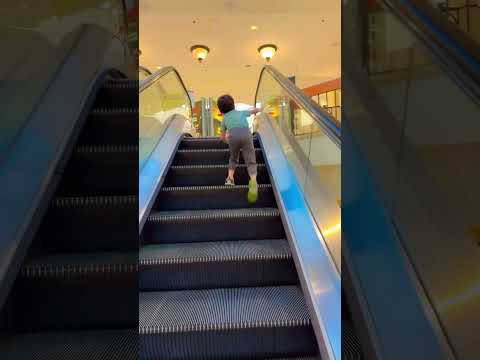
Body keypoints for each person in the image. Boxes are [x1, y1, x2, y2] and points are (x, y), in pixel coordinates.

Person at [217, 94, 260, 203]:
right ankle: (253, 181)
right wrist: (259, 109)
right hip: (246, 134)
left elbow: (222, 137)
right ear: (233, 105)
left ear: (221, 111)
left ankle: (230, 178)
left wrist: (228, 141)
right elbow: (252, 111)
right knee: (250, 159)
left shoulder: (224, 119)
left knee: (233, 158)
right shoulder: (240, 113)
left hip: (233, 137)